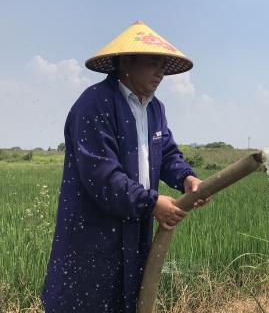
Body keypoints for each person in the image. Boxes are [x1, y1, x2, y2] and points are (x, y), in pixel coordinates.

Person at [41, 21, 211, 312]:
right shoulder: (94, 104)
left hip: (135, 228)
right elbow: (102, 176)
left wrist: (186, 178)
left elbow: (167, 153)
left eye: (163, 66)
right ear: (125, 63)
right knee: (88, 300)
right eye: (153, 63)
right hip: (94, 231)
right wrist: (152, 203)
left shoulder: (154, 108)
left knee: (128, 299)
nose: (160, 73)